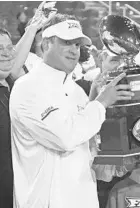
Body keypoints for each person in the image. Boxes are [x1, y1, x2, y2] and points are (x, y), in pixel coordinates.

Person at [9, 13, 134, 208]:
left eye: (77, 44)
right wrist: (101, 102)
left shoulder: (76, 91)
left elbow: (87, 149)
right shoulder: (28, 87)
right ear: (46, 43)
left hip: (83, 199)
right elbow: (65, 138)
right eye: (67, 42)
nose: (74, 50)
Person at [0, 2, 56, 208]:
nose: (7, 53)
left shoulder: (13, 87)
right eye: (0, 49)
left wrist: (33, 28)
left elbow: (13, 64)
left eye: (8, 47)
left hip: (19, 187)